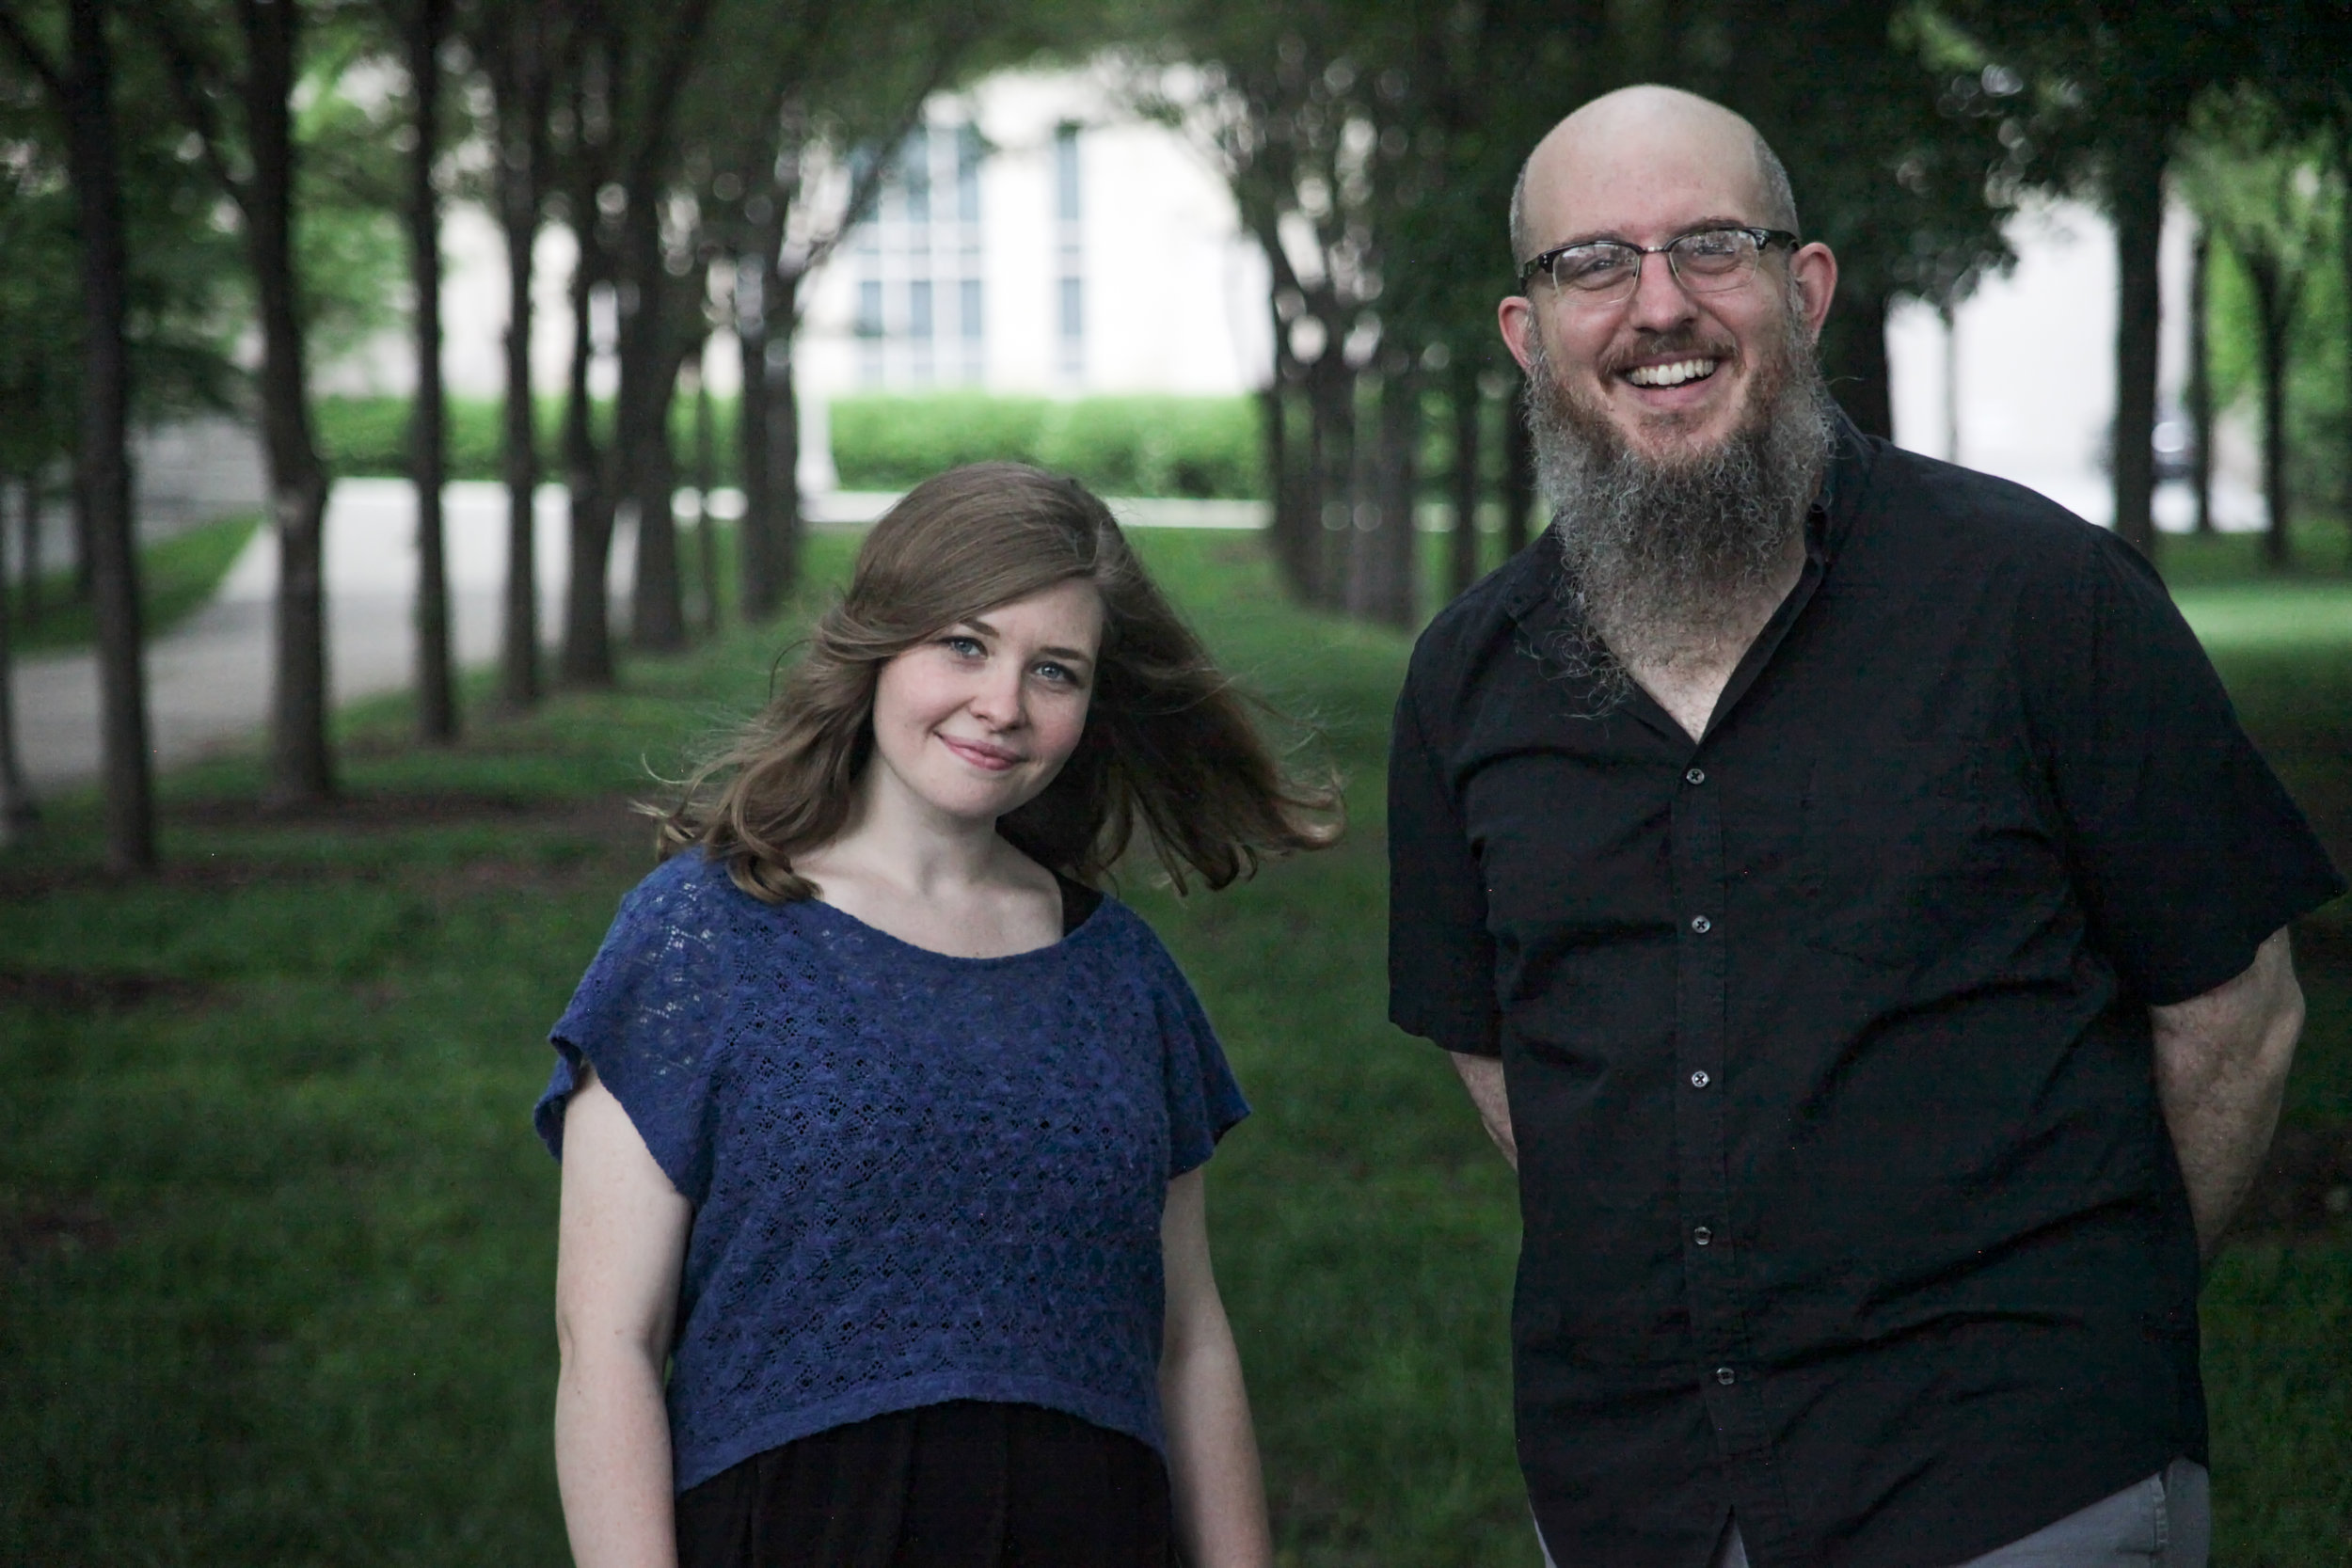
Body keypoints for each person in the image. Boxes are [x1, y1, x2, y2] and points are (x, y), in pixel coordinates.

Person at [1386, 85, 2344, 1568]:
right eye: (1594, 263)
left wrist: (2087, 1323)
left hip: (2017, 1486)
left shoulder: (2046, 602)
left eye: (1711, 246)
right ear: (1529, 333)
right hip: (1632, 1497)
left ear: (1805, 287)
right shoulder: (1467, 677)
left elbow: (2237, 1018)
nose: (1658, 307)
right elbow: (1507, 1056)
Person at [538, 463, 1333, 1568]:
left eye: (1052, 669)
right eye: (964, 644)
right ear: (876, 644)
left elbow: (1189, 1340)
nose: (1001, 704)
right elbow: (608, 1341)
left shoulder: (1121, 979)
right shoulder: (697, 939)